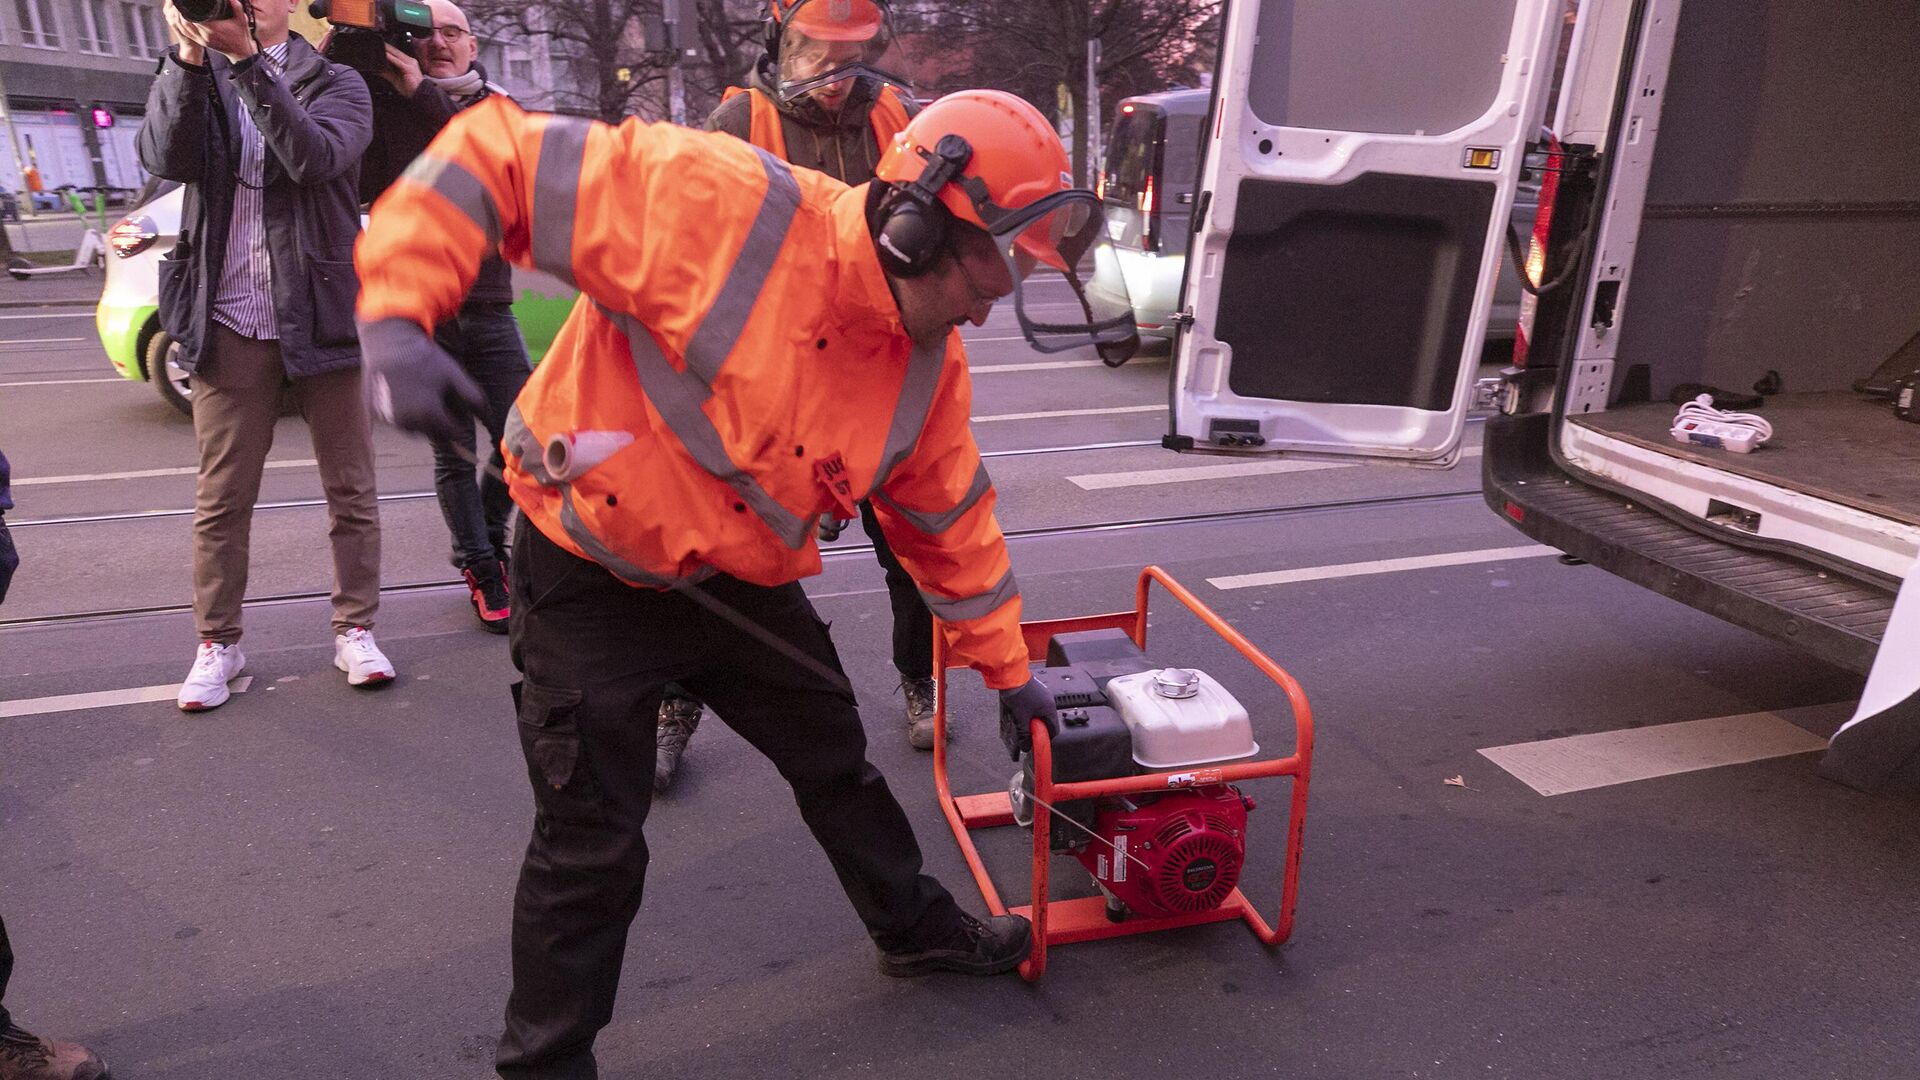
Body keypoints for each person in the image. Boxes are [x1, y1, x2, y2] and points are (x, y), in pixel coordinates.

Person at [354, 86, 1136, 1077]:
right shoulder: (714, 201)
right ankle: (543, 1067)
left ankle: (913, 931)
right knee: (591, 849)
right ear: (913, 229)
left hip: (738, 583)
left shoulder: (929, 363)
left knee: (836, 759)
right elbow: (493, 154)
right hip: (592, 572)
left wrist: (1009, 672)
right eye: (993, 266)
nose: (993, 301)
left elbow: (947, 523)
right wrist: (395, 315)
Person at [646, 0, 926, 793]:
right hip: (768, 376)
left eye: (855, 53)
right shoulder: (739, 119)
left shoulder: (895, 116)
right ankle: (674, 706)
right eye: (817, 54)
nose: (838, 76)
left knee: (906, 538)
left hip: (872, 367)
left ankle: (920, 679)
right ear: (781, 46)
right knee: (721, 551)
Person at [141, 0, 393, 711]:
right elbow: (165, 157)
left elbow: (312, 158)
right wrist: (190, 58)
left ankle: (356, 627)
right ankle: (218, 641)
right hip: (230, 318)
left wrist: (250, 64)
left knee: (350, 486)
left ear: (289, 5)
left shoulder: (340, 82)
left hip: (323, 313)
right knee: (221, 497)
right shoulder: (203, 76)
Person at [356, 0, 530, 633]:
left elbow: (492, 176)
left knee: (524, 437)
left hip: (488, 303)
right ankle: (483, 565)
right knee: (453, 449)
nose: (438, 42)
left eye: (452, 31)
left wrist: (426, 97)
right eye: (424, 32)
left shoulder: (498, 109)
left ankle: (486, 534)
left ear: (473, 44)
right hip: (423, 310)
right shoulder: (384, 105)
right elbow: (365, 187)